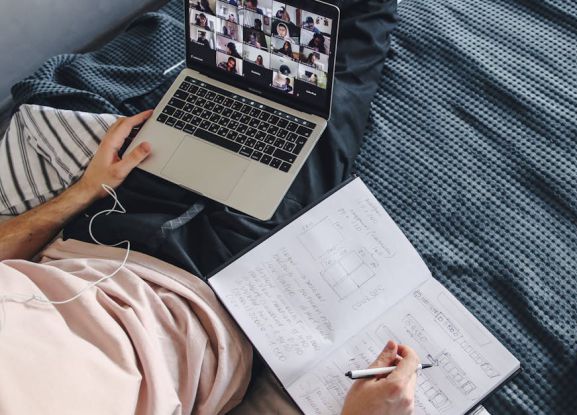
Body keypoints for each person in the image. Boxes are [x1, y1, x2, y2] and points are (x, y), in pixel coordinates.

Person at [0, 114, 422, 415]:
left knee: (222, 99)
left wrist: (87, 190)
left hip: (99, 235)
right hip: (214, 306)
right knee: (322, 120)